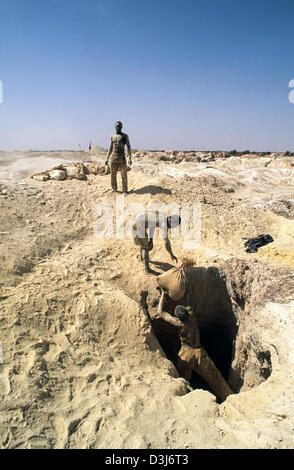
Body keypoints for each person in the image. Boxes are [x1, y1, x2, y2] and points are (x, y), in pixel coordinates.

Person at [157, 289, 233, 402]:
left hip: (186, 355)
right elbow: (188, 303)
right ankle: (230, 397)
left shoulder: (178, 323)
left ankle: (184, 399)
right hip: (200, 354)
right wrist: (186, 290)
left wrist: (163, 294)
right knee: (216, 379)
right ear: (187, 314)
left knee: (182, 380)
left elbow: (161, 312)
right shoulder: (192, 316)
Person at [105, 121, 132, 194]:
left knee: (124, 175)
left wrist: (130, 158)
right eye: (117, 126)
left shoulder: (124, 136)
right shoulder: (112, 137)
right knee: (113, 175)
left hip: (122, 158)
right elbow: (110, 148)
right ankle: (114, 189)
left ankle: (124, 190)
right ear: (114, 127)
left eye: (120, 126)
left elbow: (128, 147)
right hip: (113, 157)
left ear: (122, 127)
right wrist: (107, 158)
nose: (118, 127)